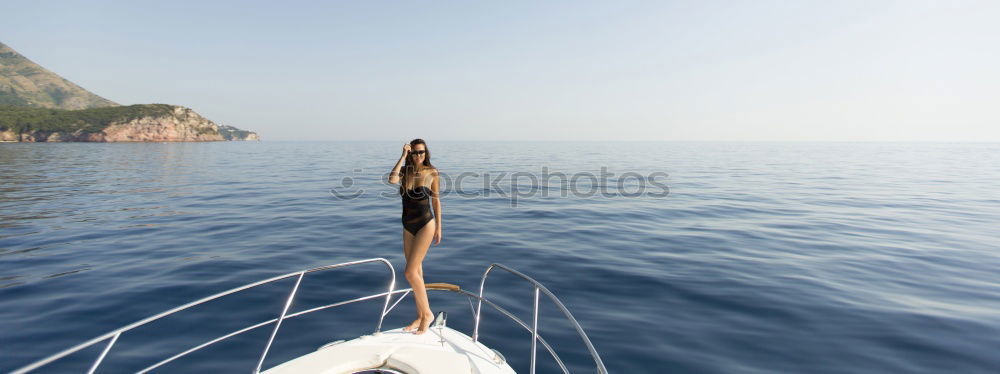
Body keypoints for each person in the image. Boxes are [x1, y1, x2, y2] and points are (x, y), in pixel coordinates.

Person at [387, 138, 442, 334]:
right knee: (416, 273)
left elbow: (436, 202)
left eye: (422, 152)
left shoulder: (432, 172)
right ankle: (420, 316)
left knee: (409, 272)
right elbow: (391, 179)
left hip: (426, 223)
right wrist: (402, 155)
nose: (419, 155)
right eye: (415, 152)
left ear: (426, 153)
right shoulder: (405, 172)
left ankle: (428, 314)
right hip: (407, 225)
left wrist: (439, 227)